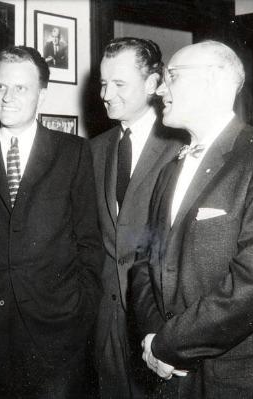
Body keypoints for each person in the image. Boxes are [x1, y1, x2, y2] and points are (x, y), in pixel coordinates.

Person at [0, 46, 104, 398]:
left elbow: (89, 241)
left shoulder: (74, 152)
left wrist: (79, 310)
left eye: (21, 88)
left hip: (57, 334)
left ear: (42, 93)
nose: (8, 97)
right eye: (0, 87)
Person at [132, 40, 253, 398]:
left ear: (214, 82)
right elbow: (144, 261)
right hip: (168, 378)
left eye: (171, 76)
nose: (160, 89)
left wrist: (166, 344)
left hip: (236, 382)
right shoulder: (169, 170)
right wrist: (150, 337)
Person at [90, 37, 186, 398]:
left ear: (151, 84)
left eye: (118, 84)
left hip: (161, 322)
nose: (105, 94)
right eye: (102, 83)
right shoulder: (95, 149)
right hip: (106, 324)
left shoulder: (181, 146)